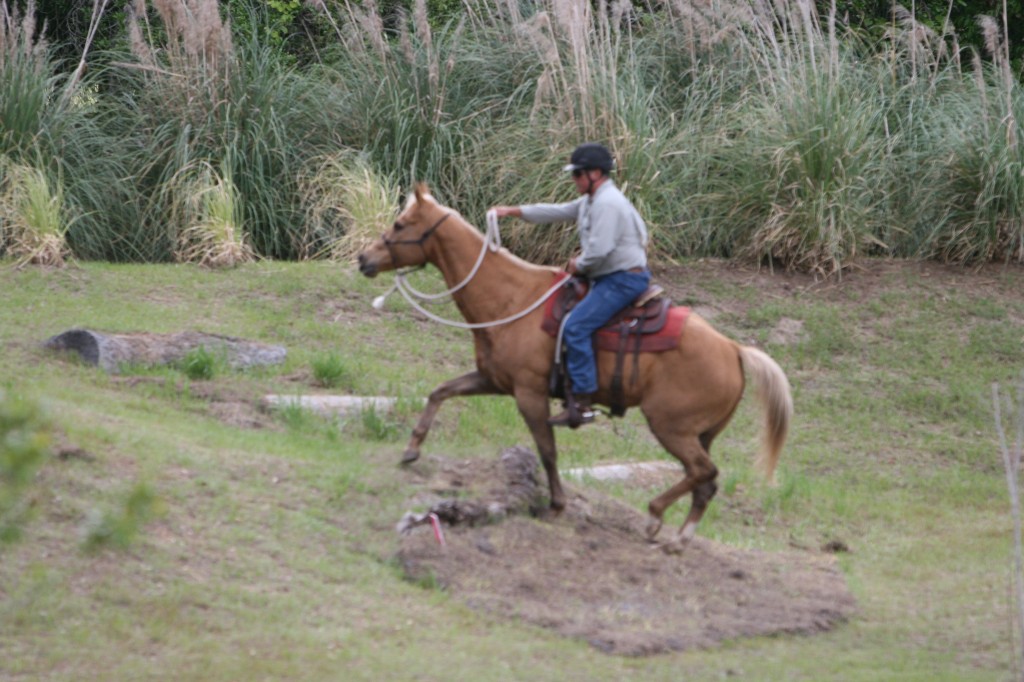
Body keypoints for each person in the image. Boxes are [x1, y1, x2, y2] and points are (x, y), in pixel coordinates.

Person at [491, 142, 650, 427]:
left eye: (578, 174)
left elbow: (599, 251)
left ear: (596, 174)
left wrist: (579, 265)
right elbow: (558, 211)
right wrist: (513, 211)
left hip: (622, 279)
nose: (574, 179)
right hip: (609, 276)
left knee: (576, 326)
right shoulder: (592, 200)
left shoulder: (607, 203)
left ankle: (582, 401)